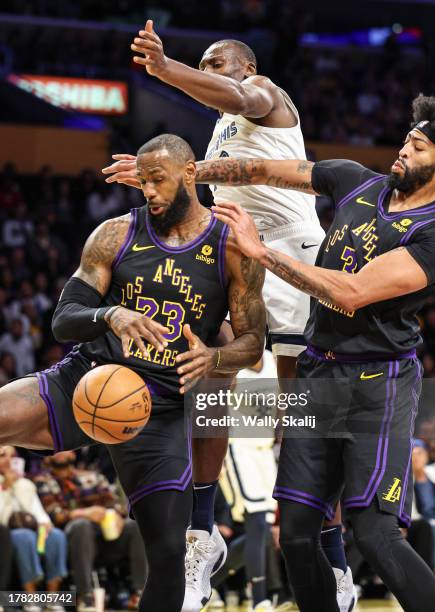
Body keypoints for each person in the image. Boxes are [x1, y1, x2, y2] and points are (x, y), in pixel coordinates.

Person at [103, 22, 353, 612]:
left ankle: (334, 561)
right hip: (236, 254)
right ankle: (202, 532)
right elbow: (202, 183)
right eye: (204, 63)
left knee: (299, 419)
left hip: (291, 251)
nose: (209, 68)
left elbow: (240, 108)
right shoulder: (218, 135)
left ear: (246, 66)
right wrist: (156, 181)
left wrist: (166, 69)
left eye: (217, 62)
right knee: (210, 381)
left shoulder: (265, 95)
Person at [0, 134, 265, 612]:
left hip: (160, 409)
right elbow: (64, 318)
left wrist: (213, 359)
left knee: (166, 555)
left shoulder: (231, 247)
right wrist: (110, 315)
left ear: (189, 174)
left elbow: (253, 343)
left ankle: (200, 537)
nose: (149, 191)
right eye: (142, 182)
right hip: (88, 377)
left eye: (157, 180)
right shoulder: (116, 233)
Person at [200, 93, 435, 611]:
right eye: (406, 139)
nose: (402, 150)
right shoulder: (357, 181)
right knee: (298, 533)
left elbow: (349, 293)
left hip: (379, 384)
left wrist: (261, 253)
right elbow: (260, 167)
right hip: (317, 374)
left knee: (376, 534)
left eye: (417, 147)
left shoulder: (431, 233)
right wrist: (183, 173)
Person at [33, 450, 146, 612]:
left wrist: (114, 513)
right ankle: (86, 597)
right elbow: (53, 513)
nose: (60, 453)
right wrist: (82, 513)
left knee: (133, 525)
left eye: (64, 449)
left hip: (104, 534)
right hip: (69, 539)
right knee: (81, 525)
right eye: (55, 450)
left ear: (73, 453)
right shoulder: (42, 481)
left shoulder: (94, 477)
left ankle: (141, 592)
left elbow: (115, 504)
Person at [0, 446, 68, 612]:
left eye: (12, 456)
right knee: (25, 536)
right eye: (2, 455)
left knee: (56, 535)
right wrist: (7, 488)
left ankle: (52, 599)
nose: (8, 460)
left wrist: (45, 523)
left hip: (30, 530)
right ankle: (31, 599)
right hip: (7, 535)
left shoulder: (25, 483)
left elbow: (36, 511)